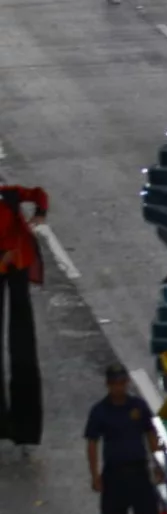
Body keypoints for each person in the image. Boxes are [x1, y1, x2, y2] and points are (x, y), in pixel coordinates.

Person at [85, 364, 159, 514]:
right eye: (114, 383)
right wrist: (95, 475)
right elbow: (92, 443)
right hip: (114, 475)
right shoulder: (100, 411)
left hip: (138, 471)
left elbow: (150, 434)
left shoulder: (138, 406)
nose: (119, 387)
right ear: (108, 385)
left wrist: (158, 464)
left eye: (121, 383)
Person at [0, 184, 47, 452]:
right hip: (7, 262)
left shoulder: (10, 194)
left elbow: (39, 194)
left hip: (16, 263)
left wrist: (40, 213)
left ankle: (24, 425)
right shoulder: (9, 195)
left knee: (22, 341)